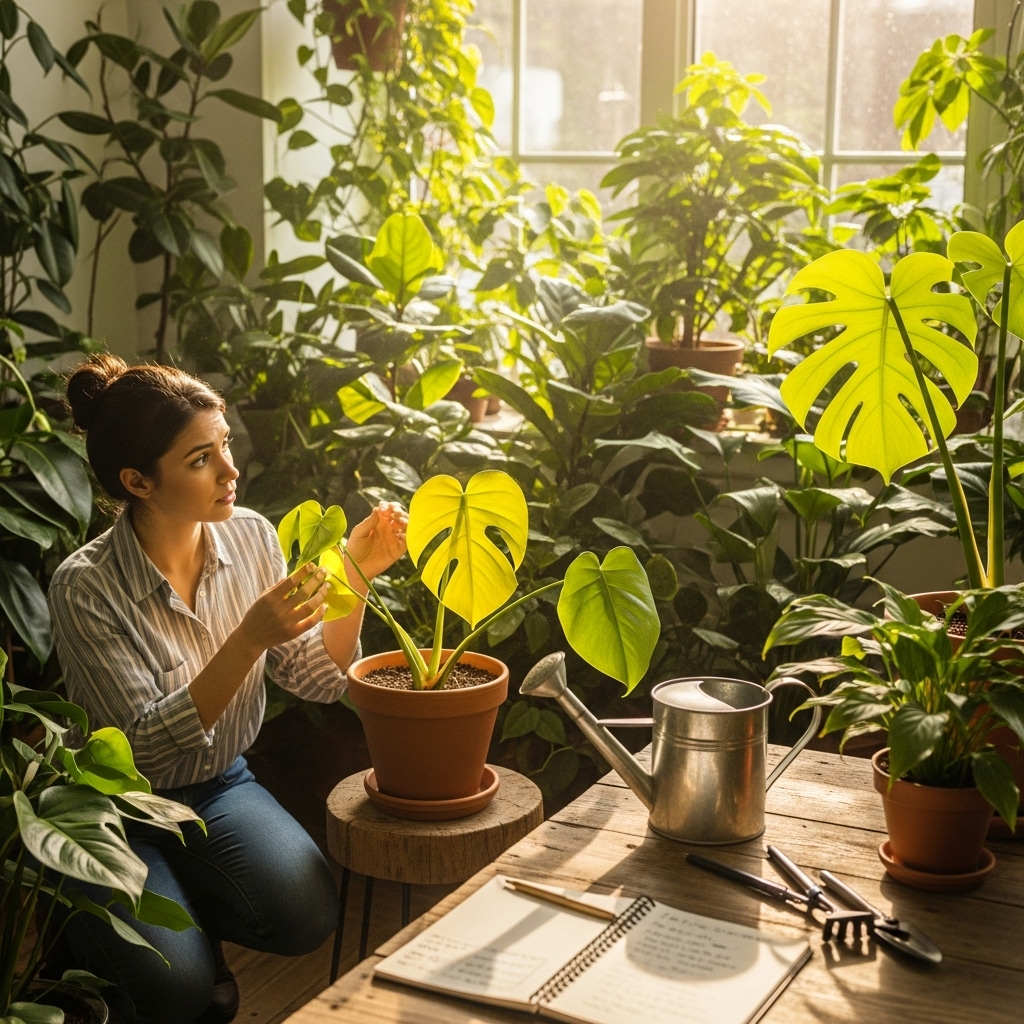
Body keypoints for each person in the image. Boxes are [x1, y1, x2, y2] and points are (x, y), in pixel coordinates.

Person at [48, 354, 408, 1024]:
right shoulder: (85, 585)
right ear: (138, 481)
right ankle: (89, 926)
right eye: (200, 459)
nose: (230, 471)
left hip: (217, 784)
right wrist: (246, 638)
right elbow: (140, 756)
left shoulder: (251, 538)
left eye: (226, 447)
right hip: (114, 811)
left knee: (307, 913)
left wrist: (357, 573)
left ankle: (179, 906)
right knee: (177, 993)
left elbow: (317, 679)